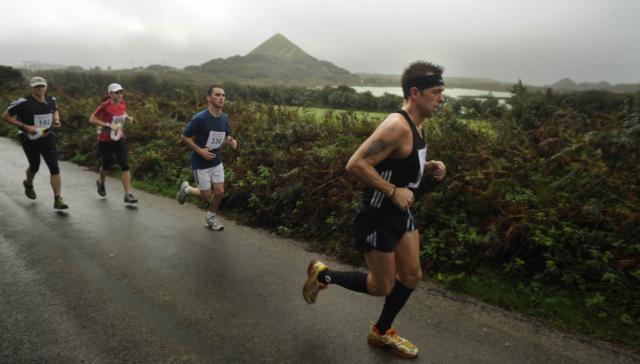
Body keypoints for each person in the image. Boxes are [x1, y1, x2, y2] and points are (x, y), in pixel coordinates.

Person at [302, 61, 447, 358]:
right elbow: (355, 163)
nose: (441, 97)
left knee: (411, 276)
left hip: (400, 215)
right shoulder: (396, 125)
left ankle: (380, 333)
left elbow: (400, 162)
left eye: (442, 91)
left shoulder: (418, 125)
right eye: (436, 91)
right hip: (377, 217)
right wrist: (392, 191)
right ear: (416, 93)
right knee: (381, 286)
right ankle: (323, 275)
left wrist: (428, 167)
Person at [176, 85, 238, 230]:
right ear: (209, 98)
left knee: (220, 192)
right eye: (217, 95)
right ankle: (187, 190)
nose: (221, 98)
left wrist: (231, 141)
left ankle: (210, 218)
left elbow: (225, 136)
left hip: (216, 161)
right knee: (206, 195)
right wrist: (200, 151)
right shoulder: (200, 118)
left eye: (223, 95)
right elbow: (185, 136)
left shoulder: (224, 118)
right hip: (200, 162)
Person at [2, 76, 69, 209]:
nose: (40, 89)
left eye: (42, 86)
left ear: (46, 87)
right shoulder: (23, 102)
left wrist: (56, 120)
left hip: (47, 138)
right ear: (32, 87)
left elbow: (54, 110)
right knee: (35, 166)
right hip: (29, 139)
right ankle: (28, 183)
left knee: (54, 168)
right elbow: (5, 116)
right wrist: (26, 127)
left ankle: (58, 199)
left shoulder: (51, 100)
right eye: (37, 86)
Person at [88, 83, 137, 203]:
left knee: (125, 165)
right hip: (105, 139)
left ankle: (128, 194)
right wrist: (108, 125)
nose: (120, 95)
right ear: (110, 94)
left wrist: (128, 117)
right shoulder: (104, 106)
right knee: (107, 165)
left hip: (119, 137)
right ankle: (101, 182)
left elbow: (122, 112)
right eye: (117, 92)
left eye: (121, 92)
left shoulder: (122, 103)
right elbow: (92, 119)